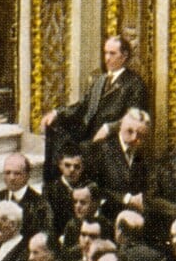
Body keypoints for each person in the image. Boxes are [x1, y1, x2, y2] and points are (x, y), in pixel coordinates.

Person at [40, 35, 148, 186]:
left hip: (112, 137)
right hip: (88, 130)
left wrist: (109, 128)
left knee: (85, 148)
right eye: (105, 53)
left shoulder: (134, 83)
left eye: (112, 53)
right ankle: (53, 186)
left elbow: (135, 117)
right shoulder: (100, 79)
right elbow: (82, 105)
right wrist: (57, 112)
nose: (107, 58)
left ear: (124, 56)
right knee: (56, 131)